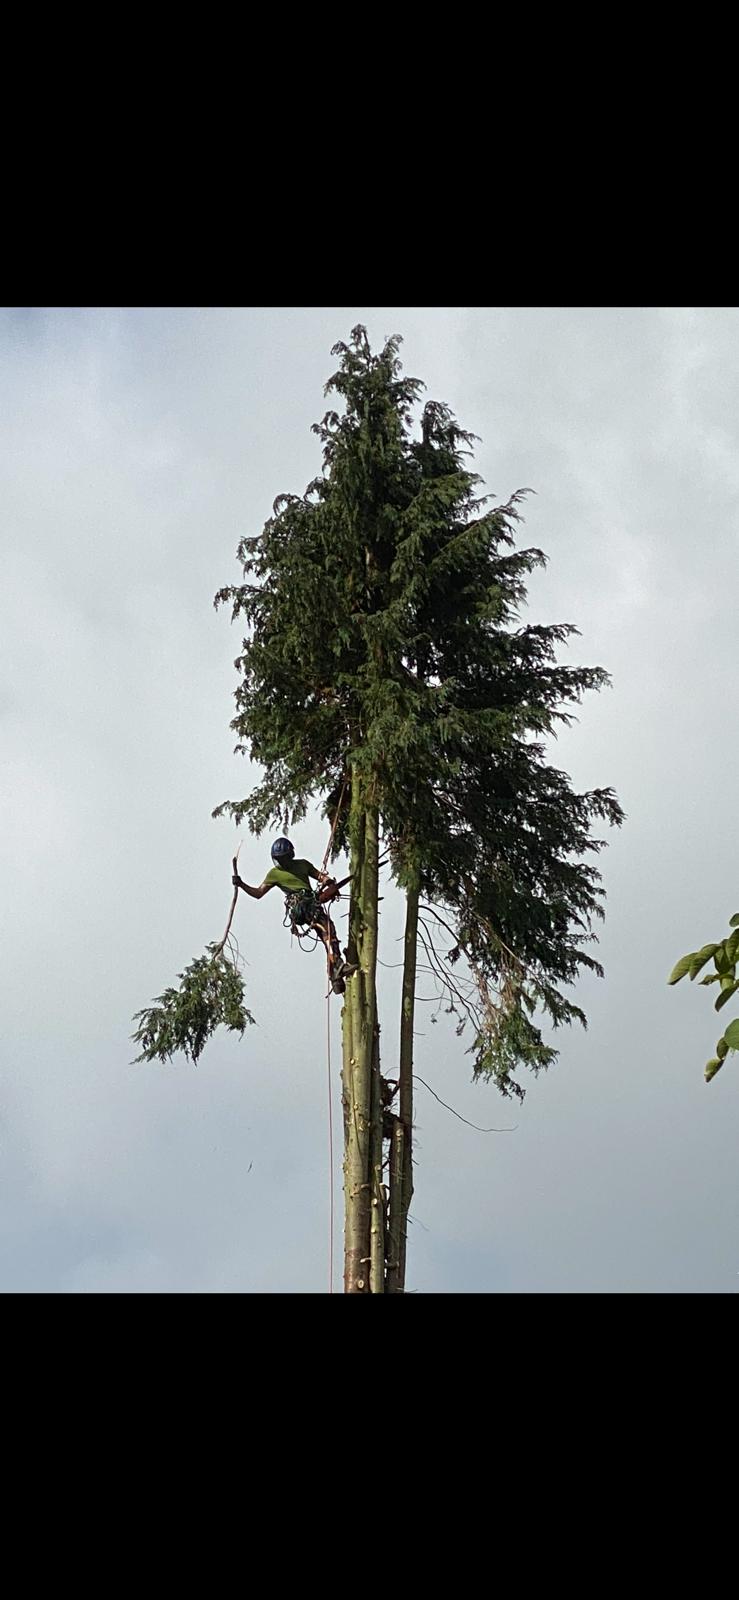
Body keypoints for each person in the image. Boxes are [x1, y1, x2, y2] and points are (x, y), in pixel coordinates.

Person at [232, 837, 357, 995]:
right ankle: (337, 965)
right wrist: (241, 884)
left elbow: (320, 876)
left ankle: (335, 973)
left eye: (282, 858)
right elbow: (258, 893)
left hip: (312, 903)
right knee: (327, 928)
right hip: (301, 906)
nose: (281, 862)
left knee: (328, 931)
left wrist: (329, 882)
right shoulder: (275, 874)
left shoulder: (303, 865)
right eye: (279, 859)